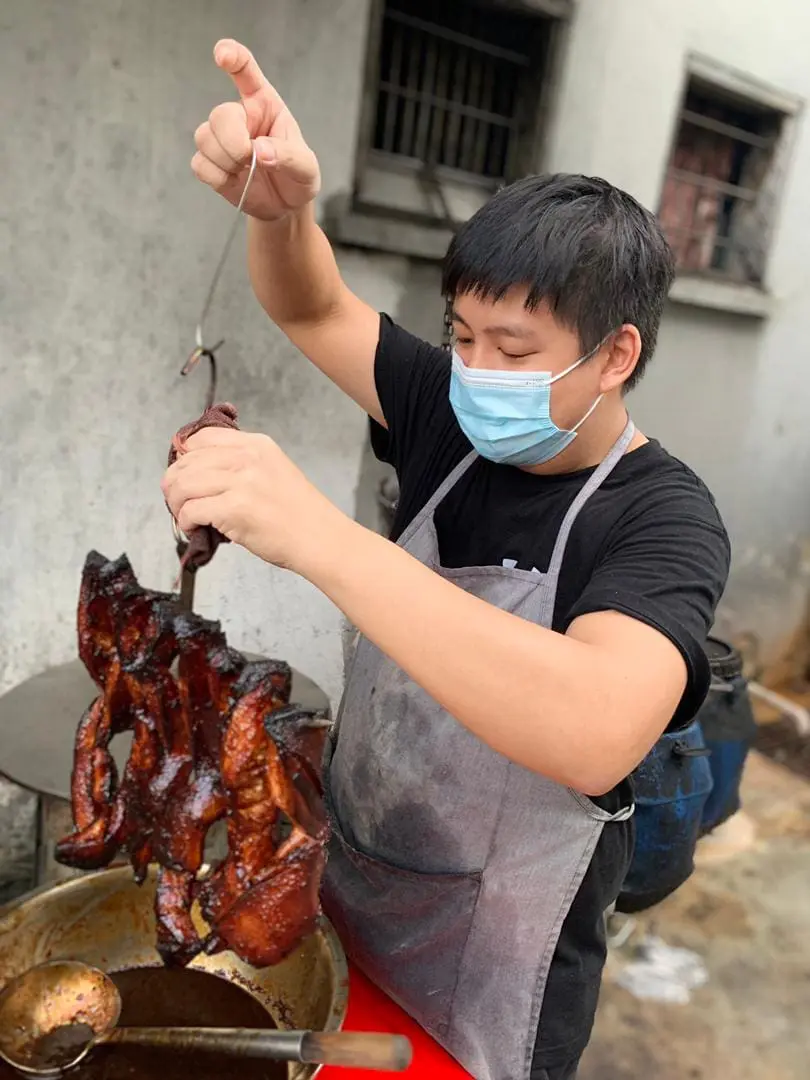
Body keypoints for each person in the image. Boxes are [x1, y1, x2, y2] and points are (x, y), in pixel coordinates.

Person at [162, 40, 731, 1080]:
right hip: (340, 905)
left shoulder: (664, 520)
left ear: (616, 354)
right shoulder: (449, 413)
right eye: (459, 334)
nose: (474, 372)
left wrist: (319, 540)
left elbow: (595, 728)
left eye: (514, 351)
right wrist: (284, 214)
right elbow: (312, 307)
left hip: (491, 982)